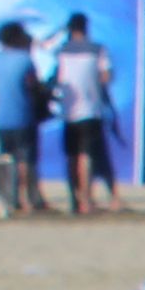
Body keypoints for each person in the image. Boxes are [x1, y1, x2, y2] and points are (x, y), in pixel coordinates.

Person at [44, 13, 117, 214]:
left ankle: (73, 199)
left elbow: (56, 76)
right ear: (86, 27)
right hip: (91, 109)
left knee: (71, 155)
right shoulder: (98, 49)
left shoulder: (61, 52)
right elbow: (106, 77)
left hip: (68, 111)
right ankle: (87, 199)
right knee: (87, 156)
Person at [0, 21, 40, 202]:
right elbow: (33, 87)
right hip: (23, 116)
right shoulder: (25, 60)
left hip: (0, 118)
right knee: (26, 160)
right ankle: (29, 199)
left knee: (5, 161)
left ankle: (9, 199)